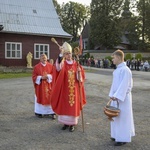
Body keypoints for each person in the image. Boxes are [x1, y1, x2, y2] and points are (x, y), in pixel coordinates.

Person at [51, 42, 86, 132]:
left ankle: (72, 124)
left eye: (69, 53)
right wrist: (60, 54)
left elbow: (81, 78)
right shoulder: (63, 64)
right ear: (64, 55)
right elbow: (58, 67)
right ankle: (65, 123)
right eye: (66, 54)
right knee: (65, 105)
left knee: (73, 106)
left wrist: (79, 73)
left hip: (74, 90)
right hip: (65, 89)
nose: (68, 55)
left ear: (72, 54)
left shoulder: (77, 64)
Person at [108, 50, 135, 146]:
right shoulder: (117, 70)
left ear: (119, 58)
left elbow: (124, 85)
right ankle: (116, 135)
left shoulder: (125, 70)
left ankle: (123, 138)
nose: (112, 59)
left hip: (123, 99)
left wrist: (117, 96)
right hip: (116, 97)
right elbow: (115, 84)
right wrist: (112, 94)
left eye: (113, 57)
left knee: (123, 117)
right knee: (116, 117)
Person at [32, 54, 56, 119]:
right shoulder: (36, 67)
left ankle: (52, 112)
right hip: (40, 86)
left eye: (45, 58)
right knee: (40, 96)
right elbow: (34, 76)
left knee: (50, 97)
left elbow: (54, 74)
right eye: (42, 58)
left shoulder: (51, 66)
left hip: (49, 85)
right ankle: (40, 112)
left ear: (47, 58)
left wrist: (48, 76)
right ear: (40, 59)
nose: (44, 59)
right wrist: (41, 77)